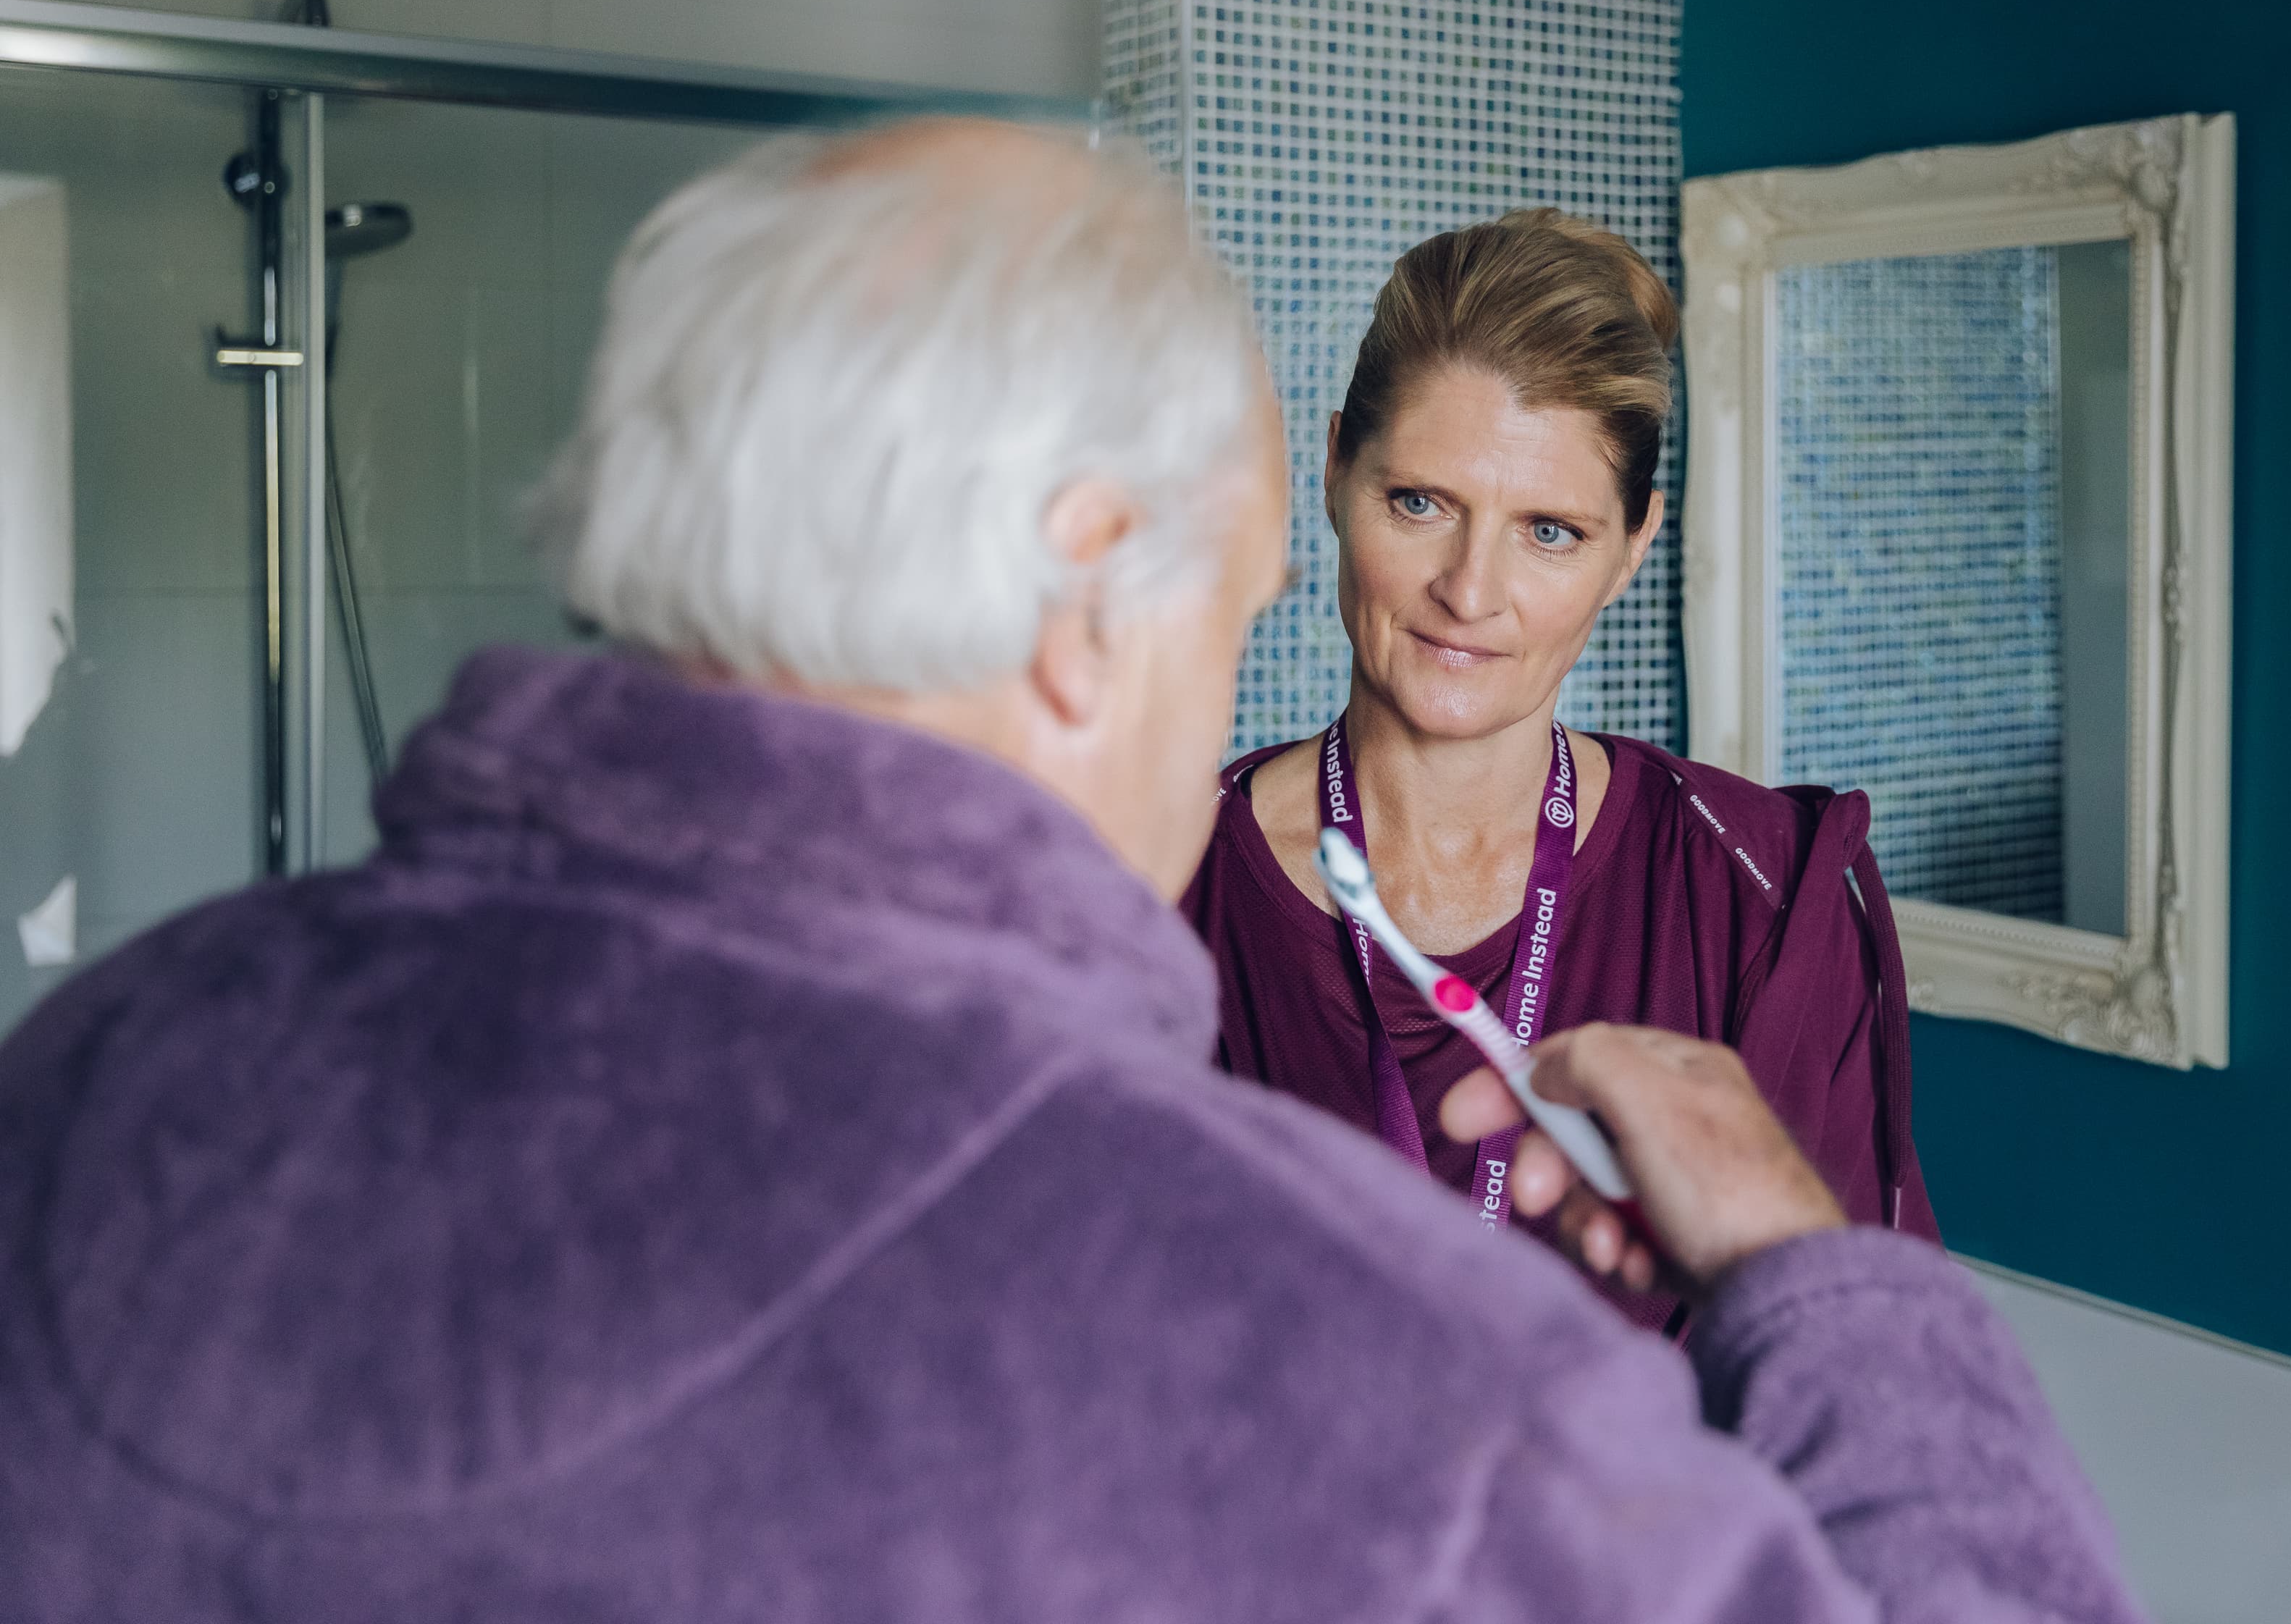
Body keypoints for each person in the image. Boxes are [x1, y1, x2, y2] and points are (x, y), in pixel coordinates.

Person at [0, 122, 2145, 1623]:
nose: (1463, 591)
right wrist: (1808, 1280)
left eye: (1552, 533)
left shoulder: (93, 1070)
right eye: (1263, 589)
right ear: (1091, 601)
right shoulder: (1345, 1361)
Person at [1189, 209, 1935, 1326]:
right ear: (1337, 468)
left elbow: (1857, 1357)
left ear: (1633, 548)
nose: (1470, 591)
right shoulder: (1159, 874)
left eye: (1550, 531)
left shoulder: (1764, 894)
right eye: (1421, 503)